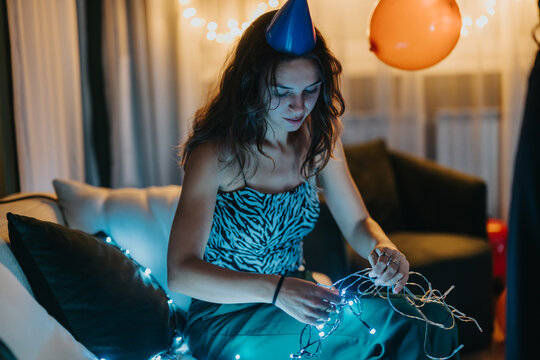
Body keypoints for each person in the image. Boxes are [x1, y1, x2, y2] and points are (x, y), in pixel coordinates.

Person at [167, 3, 457, 359]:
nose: (298, 106)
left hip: (300, 298)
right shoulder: (216, 155)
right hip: (227, 317)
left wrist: (383, 248)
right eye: (281, 91)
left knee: (433, 314)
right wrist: (276, 290)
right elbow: (181, 273)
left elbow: (356, 221)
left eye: (311, 90)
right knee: (396, 325)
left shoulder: (320, 137)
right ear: (250, 84)